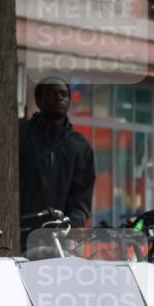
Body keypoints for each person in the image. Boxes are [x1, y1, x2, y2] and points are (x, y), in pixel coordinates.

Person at [19, 77, 96, 239]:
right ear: (39, 100)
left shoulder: (80, 146)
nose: (59, 97)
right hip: (18, 232)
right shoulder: (19, 134)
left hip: (58, 239)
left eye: (64, 94)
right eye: (52, 93)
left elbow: (81, 195)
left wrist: (74, 222)